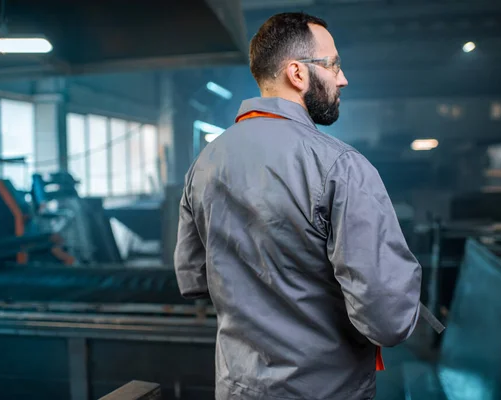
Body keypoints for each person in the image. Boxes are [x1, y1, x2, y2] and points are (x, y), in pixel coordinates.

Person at [174, 12, 422, 400]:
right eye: (333, 64)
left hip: (238, 389)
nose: (342, 78)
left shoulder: (204, 163)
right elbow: (388, 320)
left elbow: (192, 279)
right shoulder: (340, 166)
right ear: (297, 73)